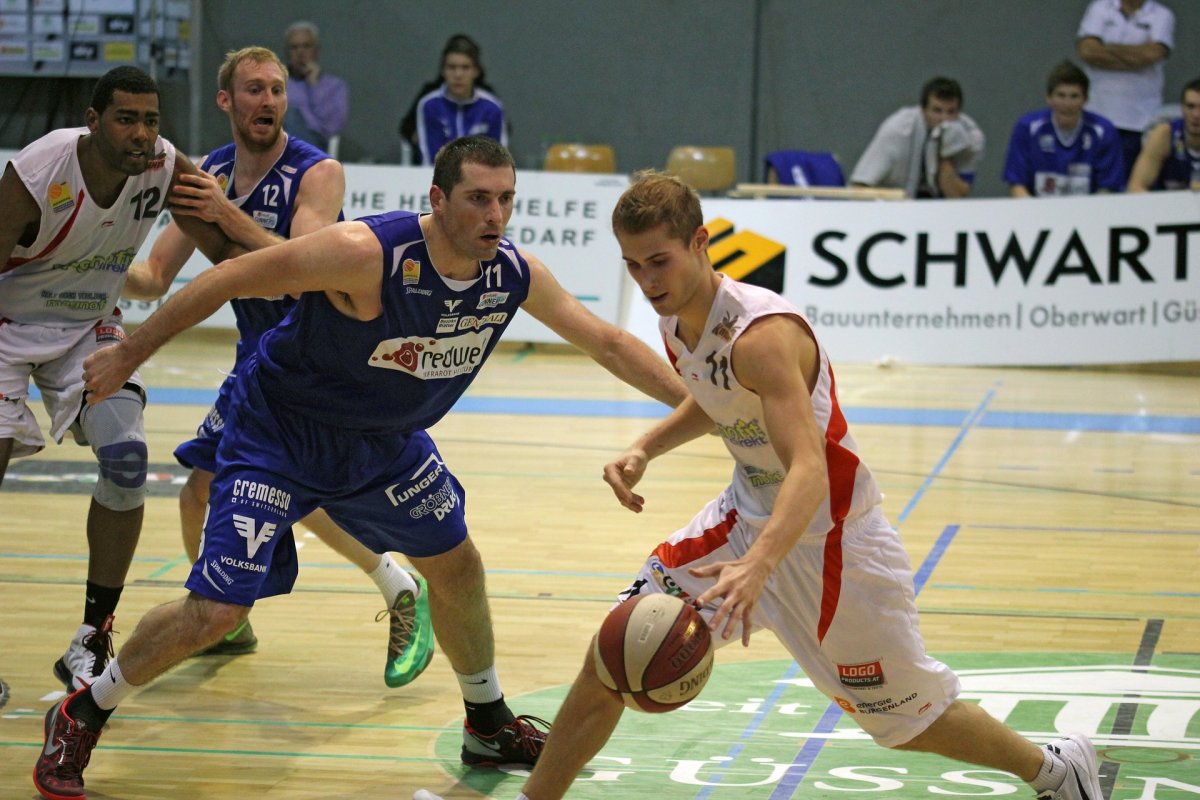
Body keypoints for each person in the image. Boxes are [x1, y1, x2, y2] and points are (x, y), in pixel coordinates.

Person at [33, 136, 688, 800]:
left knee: (457, 567)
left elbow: (610, 343)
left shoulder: (511, 274)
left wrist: (704, 406)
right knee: (218, 612)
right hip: (280, 433)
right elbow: (224, 277)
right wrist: (129, 353)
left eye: (505, 200)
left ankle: (487, 722)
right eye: (478, 199)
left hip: (383, 443)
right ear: (438, 199)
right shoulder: (368, 253)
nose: (495, 215)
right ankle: (84, 710)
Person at [421, 170, 1102, 800]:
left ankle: (1056, 770)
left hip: (833, 544)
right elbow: (717, 399)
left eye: (659, 261)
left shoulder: (761, 335)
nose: (647, 280)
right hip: (742, 522)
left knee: (904, 722)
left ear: (700, 243)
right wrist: (645, 447)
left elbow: (808, 465)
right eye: (633, 265)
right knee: (617, 650)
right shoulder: (676, 320)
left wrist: (760, 565)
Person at [122, 45, 433, 681]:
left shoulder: (316, 172)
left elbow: (302, 270)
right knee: (198, 492)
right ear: (226, 100)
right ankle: (228, 619)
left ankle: (399, 583)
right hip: (258, 360)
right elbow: (153, 276)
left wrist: (224, 214)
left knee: (293, 487)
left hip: (319, 355)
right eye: (254, 89)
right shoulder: (211, 170)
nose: (267, 100)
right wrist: (81, 266)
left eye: (276, 89)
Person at [0, 66, 259, 696]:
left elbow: (226, 254)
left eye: (151, 120)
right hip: (7, 324)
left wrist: (308, 274)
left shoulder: (165, 165)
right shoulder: (39, 171)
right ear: (93, 121)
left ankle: (92, 635)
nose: (142, 133)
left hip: (89, 326)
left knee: (126, 459)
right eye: (126, 119)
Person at [1076, 0, 1176, 184]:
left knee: (1130, 185)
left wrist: (1106, 48)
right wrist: (1136, 54)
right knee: (1092, 184)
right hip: (1096, 117)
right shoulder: (1100, 8)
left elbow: (1150, 56)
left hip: (1140, 120)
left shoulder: (1162, 15)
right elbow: (1088, 51)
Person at [1003, 60, 1125, 197]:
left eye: (1074, 96)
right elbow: (1017, 184)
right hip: (1037, 207)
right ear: (1049, 98)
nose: (1067, 104)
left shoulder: (1103, 131)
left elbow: (1108, 188)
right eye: (1061, 95)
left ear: (1085, 99)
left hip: (1089, 208)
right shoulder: (1027, 128)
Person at [849, 76, 984, 199]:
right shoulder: (898, 130)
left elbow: (957, 197)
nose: (944, 120)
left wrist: (945, 154)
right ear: (923, 110)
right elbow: (859, 187)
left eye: (951, 112)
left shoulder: (970, 137)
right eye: (937, 111)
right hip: (892, 207)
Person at [410, 35, 507, 166]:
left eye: (465, 67)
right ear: (443, 71)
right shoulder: (429, 105)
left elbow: (498, 161)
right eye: (452, 67)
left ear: (476, 71)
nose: (458, 75)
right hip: (441, 176)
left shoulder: (492, 108)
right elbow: (430, 160)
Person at [282, 20, 348, 153]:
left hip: (314, 146)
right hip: (275, 144)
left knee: (290, 113)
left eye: (306, 46)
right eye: (294, 47)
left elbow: (333, 128)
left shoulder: (335, 86)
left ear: (317, 50)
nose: (300, 53)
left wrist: (316, 86)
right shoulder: (276, 83)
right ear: (287, 53)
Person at [1127, 76, 1200, 191]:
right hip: (1167, 201)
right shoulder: (1165, 134)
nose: (1196, 115)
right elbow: (1136, 186)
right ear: (1182, 108)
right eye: (1190, 107)